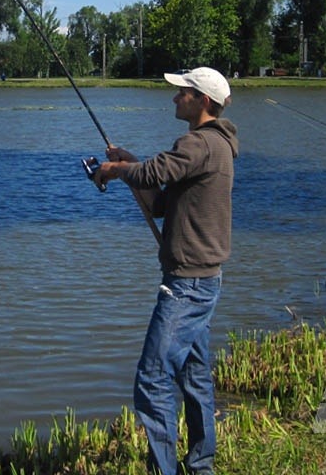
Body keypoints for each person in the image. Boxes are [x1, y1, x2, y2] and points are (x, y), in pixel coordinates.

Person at [94, 67, 238, 475]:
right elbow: (160, 201)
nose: (175, 99)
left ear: (203, 101)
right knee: (194, 377)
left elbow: (153, 173)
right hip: (202, 278)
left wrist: (117, 169)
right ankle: (202, 465)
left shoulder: (199, 143)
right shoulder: (214, 147)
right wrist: (130, 165)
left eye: (183, 93)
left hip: (188, 283)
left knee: (152, 380)